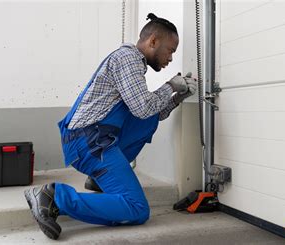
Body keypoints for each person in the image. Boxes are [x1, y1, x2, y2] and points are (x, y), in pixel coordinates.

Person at [24, 13, 197, 240]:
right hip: (88, 141)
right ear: (153, 41)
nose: (171, 58)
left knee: (148, 120)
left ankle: (99, 179)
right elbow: (144, 107)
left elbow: (150, 114)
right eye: (170, 50)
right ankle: (53, 197)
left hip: (96, 138)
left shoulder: (134, 65)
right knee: (136, 208)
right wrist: (169, 86)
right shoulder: (127, 59)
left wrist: (177, 97)